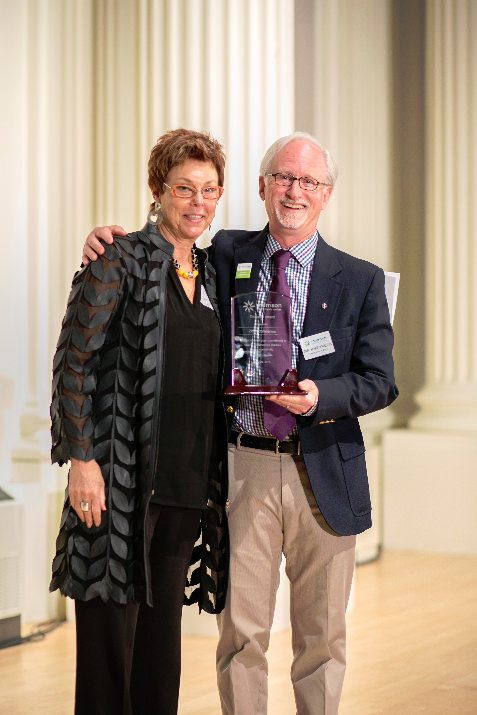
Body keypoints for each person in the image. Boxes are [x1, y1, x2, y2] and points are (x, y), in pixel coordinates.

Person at [82, 131, 398, 715]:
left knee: (322, 638)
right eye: (283, 177)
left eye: (308, 181)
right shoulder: (226, 254)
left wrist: (320, 394)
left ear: (327, 194)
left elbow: (381, 382)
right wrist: (106, 238)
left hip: (324, 467)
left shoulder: (360, 280)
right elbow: (167, 245)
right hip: (243, 466)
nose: (294, 190)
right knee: (243, 634)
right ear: (260, 187)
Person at [50, 128, 229, 715]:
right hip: (119, 480)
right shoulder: (119, 260)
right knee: (109, 645)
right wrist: (82, 461)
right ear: (158, 190)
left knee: (161, 650)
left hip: (184, 483)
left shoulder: (213, 272)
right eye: (184, 187)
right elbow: (73, 362)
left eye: (209, 189)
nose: (198, 201)